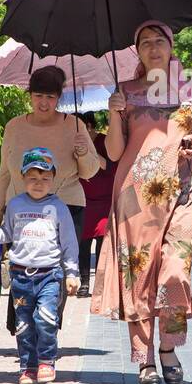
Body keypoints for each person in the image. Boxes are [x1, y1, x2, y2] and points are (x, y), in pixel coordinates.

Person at [94, 20, 192, 384]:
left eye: (161, 41)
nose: (154, 47)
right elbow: (112, 152)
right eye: (145, 42)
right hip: (134, 196)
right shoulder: (125, 92)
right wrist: (113, 112)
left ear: (171, 47)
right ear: (137, 51)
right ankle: (144, 360)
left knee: (175, 271)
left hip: (182, 193)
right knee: (139, 276)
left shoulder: (190, 90)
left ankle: (169, 348)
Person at [0, 67, 100, 293]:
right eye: (38, 96)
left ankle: (48, 326)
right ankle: (23, 326)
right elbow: (4, 172)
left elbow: (90, 172)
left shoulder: (74, 125)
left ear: (59, 98)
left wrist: (82, 153)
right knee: (21, 276)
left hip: (65, 208)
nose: (43, 103)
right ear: (30, 95)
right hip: (21, 208)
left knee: (56, 281)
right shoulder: (14, 126)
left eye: (50, 97)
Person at [0, 147, 81, 384]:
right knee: (23, 324)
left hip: (50, 275)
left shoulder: (59, 208)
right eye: (32, 177)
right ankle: (27, 366)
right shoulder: (15, 205)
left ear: (53, 179)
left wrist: (72, 273)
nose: (38, 182)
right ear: (22, 177)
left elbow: (69, 242)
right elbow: (7, 233)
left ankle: (46, 361)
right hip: (20, 276)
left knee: (45, 318)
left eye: (44, 177)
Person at [76, 111, 114, 298]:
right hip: (84, 200)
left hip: (104, 201)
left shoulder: (105, 142)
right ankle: (84, 283)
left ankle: (100, 284)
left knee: (101, 243)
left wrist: (90, 149)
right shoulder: (75, 145)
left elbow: (109, 166)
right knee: (83, 242)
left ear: (89, 126)